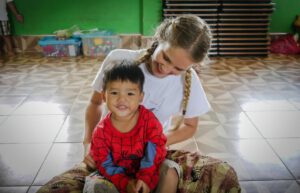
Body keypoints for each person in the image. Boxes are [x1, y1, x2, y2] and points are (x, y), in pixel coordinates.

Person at [37, 14, 241, 193]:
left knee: (216, 174)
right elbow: (95, 102)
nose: (166, 69)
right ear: (160, 38)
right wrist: (89, 143)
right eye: (166, 57)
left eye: (177, 68)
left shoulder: (189, 81)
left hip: (153, 154)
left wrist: (152, 144)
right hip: (112, 151)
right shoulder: (119, 60)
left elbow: (190, 126)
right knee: (84, 186)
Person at [83, 61, 167, 193]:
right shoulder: (100, 132)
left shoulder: (149, 121)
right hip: (116, 177)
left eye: (130, 94)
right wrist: (125, 183)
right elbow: (105, 164)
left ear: (140, 97)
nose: (122, 99)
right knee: (93, 185)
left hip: (149, 173)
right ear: (104, 96)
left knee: (170, 171)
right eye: (115, 93)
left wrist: (145, 178)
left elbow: (155, 151)